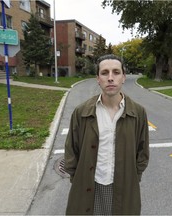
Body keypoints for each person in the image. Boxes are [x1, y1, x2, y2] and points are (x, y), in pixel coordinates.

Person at [64, 54, 150, 215]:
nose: (110, 78)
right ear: (98, 78)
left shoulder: (138, 112)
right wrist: (76, 178)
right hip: (90, 184)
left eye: (116, 72)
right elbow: (71, 149)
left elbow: (142, 151)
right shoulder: (82, 112)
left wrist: (133, 177)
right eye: (105, 73)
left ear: (123, 77)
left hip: (123, 186)